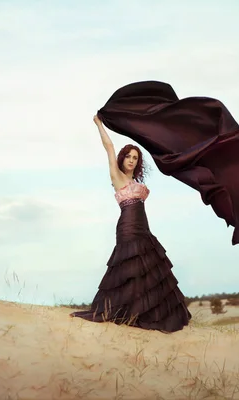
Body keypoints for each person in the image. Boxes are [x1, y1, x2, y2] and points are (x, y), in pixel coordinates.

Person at [69, 115, 192, 333]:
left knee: (147, 267)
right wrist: (99, 123)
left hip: (143, 226)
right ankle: (122, 311)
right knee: (129, 267)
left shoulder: (137, 182)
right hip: (127, 225)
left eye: (135, 157)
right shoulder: (117, 176)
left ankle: (141, 312)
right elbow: (108, 147)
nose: (131, 160)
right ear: (122, 159)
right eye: (128, 156)